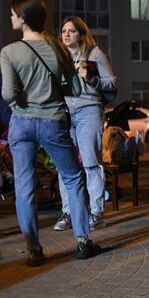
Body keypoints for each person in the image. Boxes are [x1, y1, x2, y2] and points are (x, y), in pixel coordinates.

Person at [0, 0, 101, 266]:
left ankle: (34, 250)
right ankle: (82, 241)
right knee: (73, 178)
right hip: (53, 121)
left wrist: (21, 103)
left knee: (24, 187)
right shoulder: (57, 48)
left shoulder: (9, 52)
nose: (10, 18)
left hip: (21, 123)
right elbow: (76, 87)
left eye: (12, 14)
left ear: (22, 18)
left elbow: (8, 92)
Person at [53, 16, 117, 232]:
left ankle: (97, 213)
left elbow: (111, 82)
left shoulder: (94, 54)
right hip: (65, 115)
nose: (66, 35)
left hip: (89, 111)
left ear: (81, 33)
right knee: (66, 166)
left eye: (71, 31)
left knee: (90, 163)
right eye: (63, 31)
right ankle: (69, 212)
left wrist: (91, 77)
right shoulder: (60, 57)